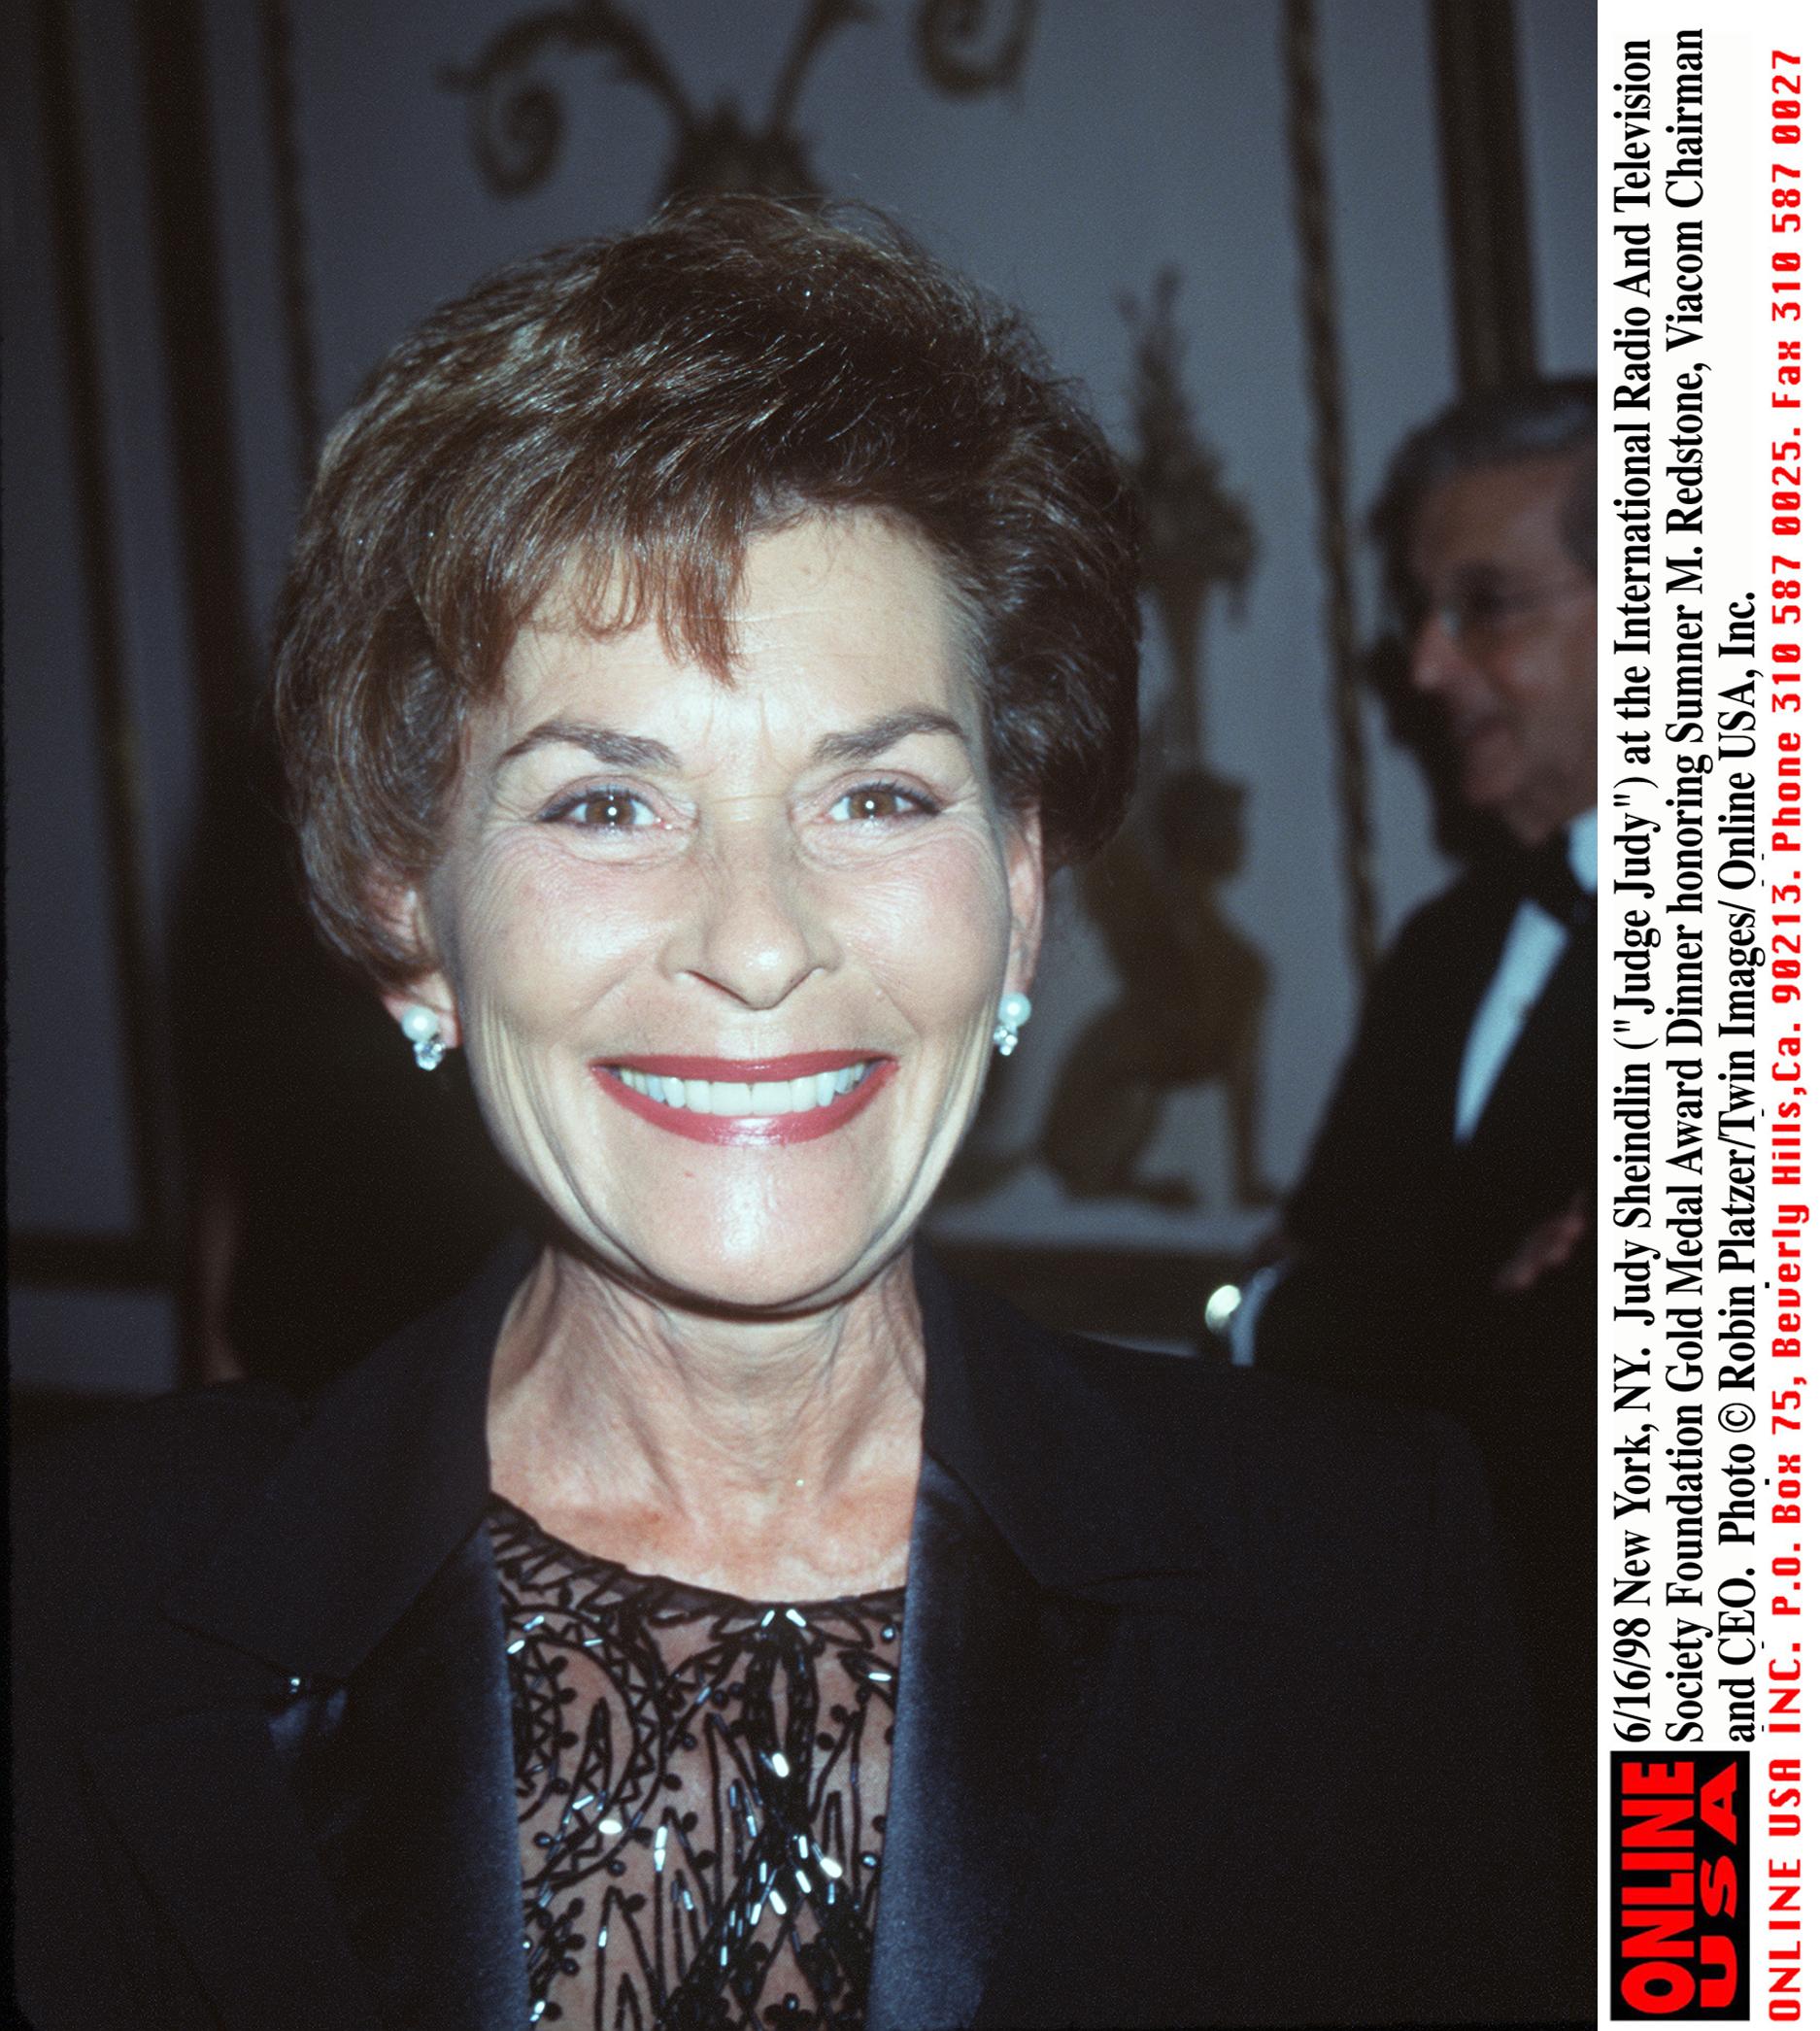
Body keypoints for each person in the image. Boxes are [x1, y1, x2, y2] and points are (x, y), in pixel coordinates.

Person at [14, 200, 1566, 2030]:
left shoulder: (1356, 1575)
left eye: (876, 799)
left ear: (1020, 896)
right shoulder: (89, 1603)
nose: (756, 944)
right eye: (604, 804)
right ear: (409, 920)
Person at [1241, 377, 1598, 1988]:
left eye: (1486, 609)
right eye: (1421, 616)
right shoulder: (1450, 950)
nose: (1426, 668)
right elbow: (1282, 1316)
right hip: (1419, 1774)